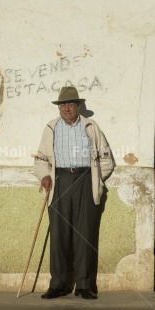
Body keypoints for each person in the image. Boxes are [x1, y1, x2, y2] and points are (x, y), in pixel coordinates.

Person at [34, 86, 115, 299]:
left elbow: (106, 158)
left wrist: (95, 179)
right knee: (59, 234)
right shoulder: (51, 128)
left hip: (85, 181)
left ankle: (84, 286)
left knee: (84, 234)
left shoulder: (91, 126)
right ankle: (58, 284)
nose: (66, 109)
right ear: (58, 108)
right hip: (59, 180)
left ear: (78, 106)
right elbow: (41, 159)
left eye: (70, 104)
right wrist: (45, 175)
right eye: (62, 105)